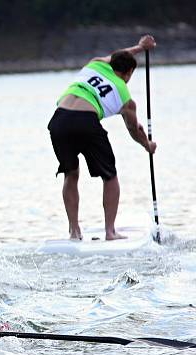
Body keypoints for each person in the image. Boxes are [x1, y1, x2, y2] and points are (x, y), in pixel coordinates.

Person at [48, 35, 157, 241]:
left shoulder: (95, 63)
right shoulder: (126, 98)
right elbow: (134, 130)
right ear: (129, 73)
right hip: (85, 121)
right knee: (110, 176)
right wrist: (147, 145)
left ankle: (74, 231)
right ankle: (110, 232)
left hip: (59, 120)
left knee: (70, 174)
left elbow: (118, 56)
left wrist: (140, 48)